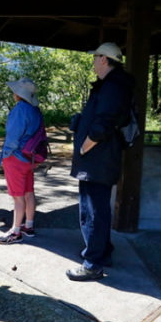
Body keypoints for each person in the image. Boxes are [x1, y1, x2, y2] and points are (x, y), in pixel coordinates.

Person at [66, 42, 134, 282]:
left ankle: (93, 264)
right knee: (94, 208)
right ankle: (101, 252)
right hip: (97, 159)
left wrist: (85, 147)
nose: (93, 61)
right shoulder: (110, 85)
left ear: (104, 59)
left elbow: (104, 123)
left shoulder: (114, 87)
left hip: (97, 158)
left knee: (93, 211)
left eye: (95, 57)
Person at [0, 78, 42, 245]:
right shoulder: (35, 110)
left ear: (18, 94)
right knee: (29, 192)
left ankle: (15, 231)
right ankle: (28, 226)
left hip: (15, 158)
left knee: (18, 197)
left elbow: (13, 137)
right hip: (30, 158)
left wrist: (5, 155)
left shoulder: (19, 110)